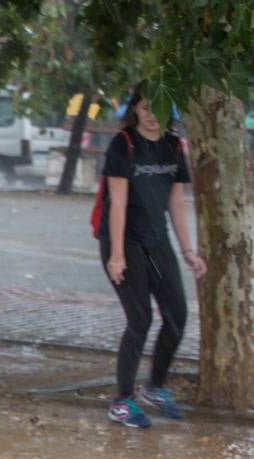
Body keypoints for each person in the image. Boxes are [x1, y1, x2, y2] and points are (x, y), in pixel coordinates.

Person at [100, 82, 207, 428]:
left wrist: (188, 250)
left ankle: (155, 387)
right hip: (125, 241)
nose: (150, 115)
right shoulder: (124, 144)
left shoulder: (174, 146)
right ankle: (122, 401)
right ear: (135, 110)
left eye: (157, 108)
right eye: (144, 108)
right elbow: (116, 202)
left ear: (170, 112)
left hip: (158, 241)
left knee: (177, 316)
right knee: (140, 319)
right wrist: (116, 255)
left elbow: (175, 202)